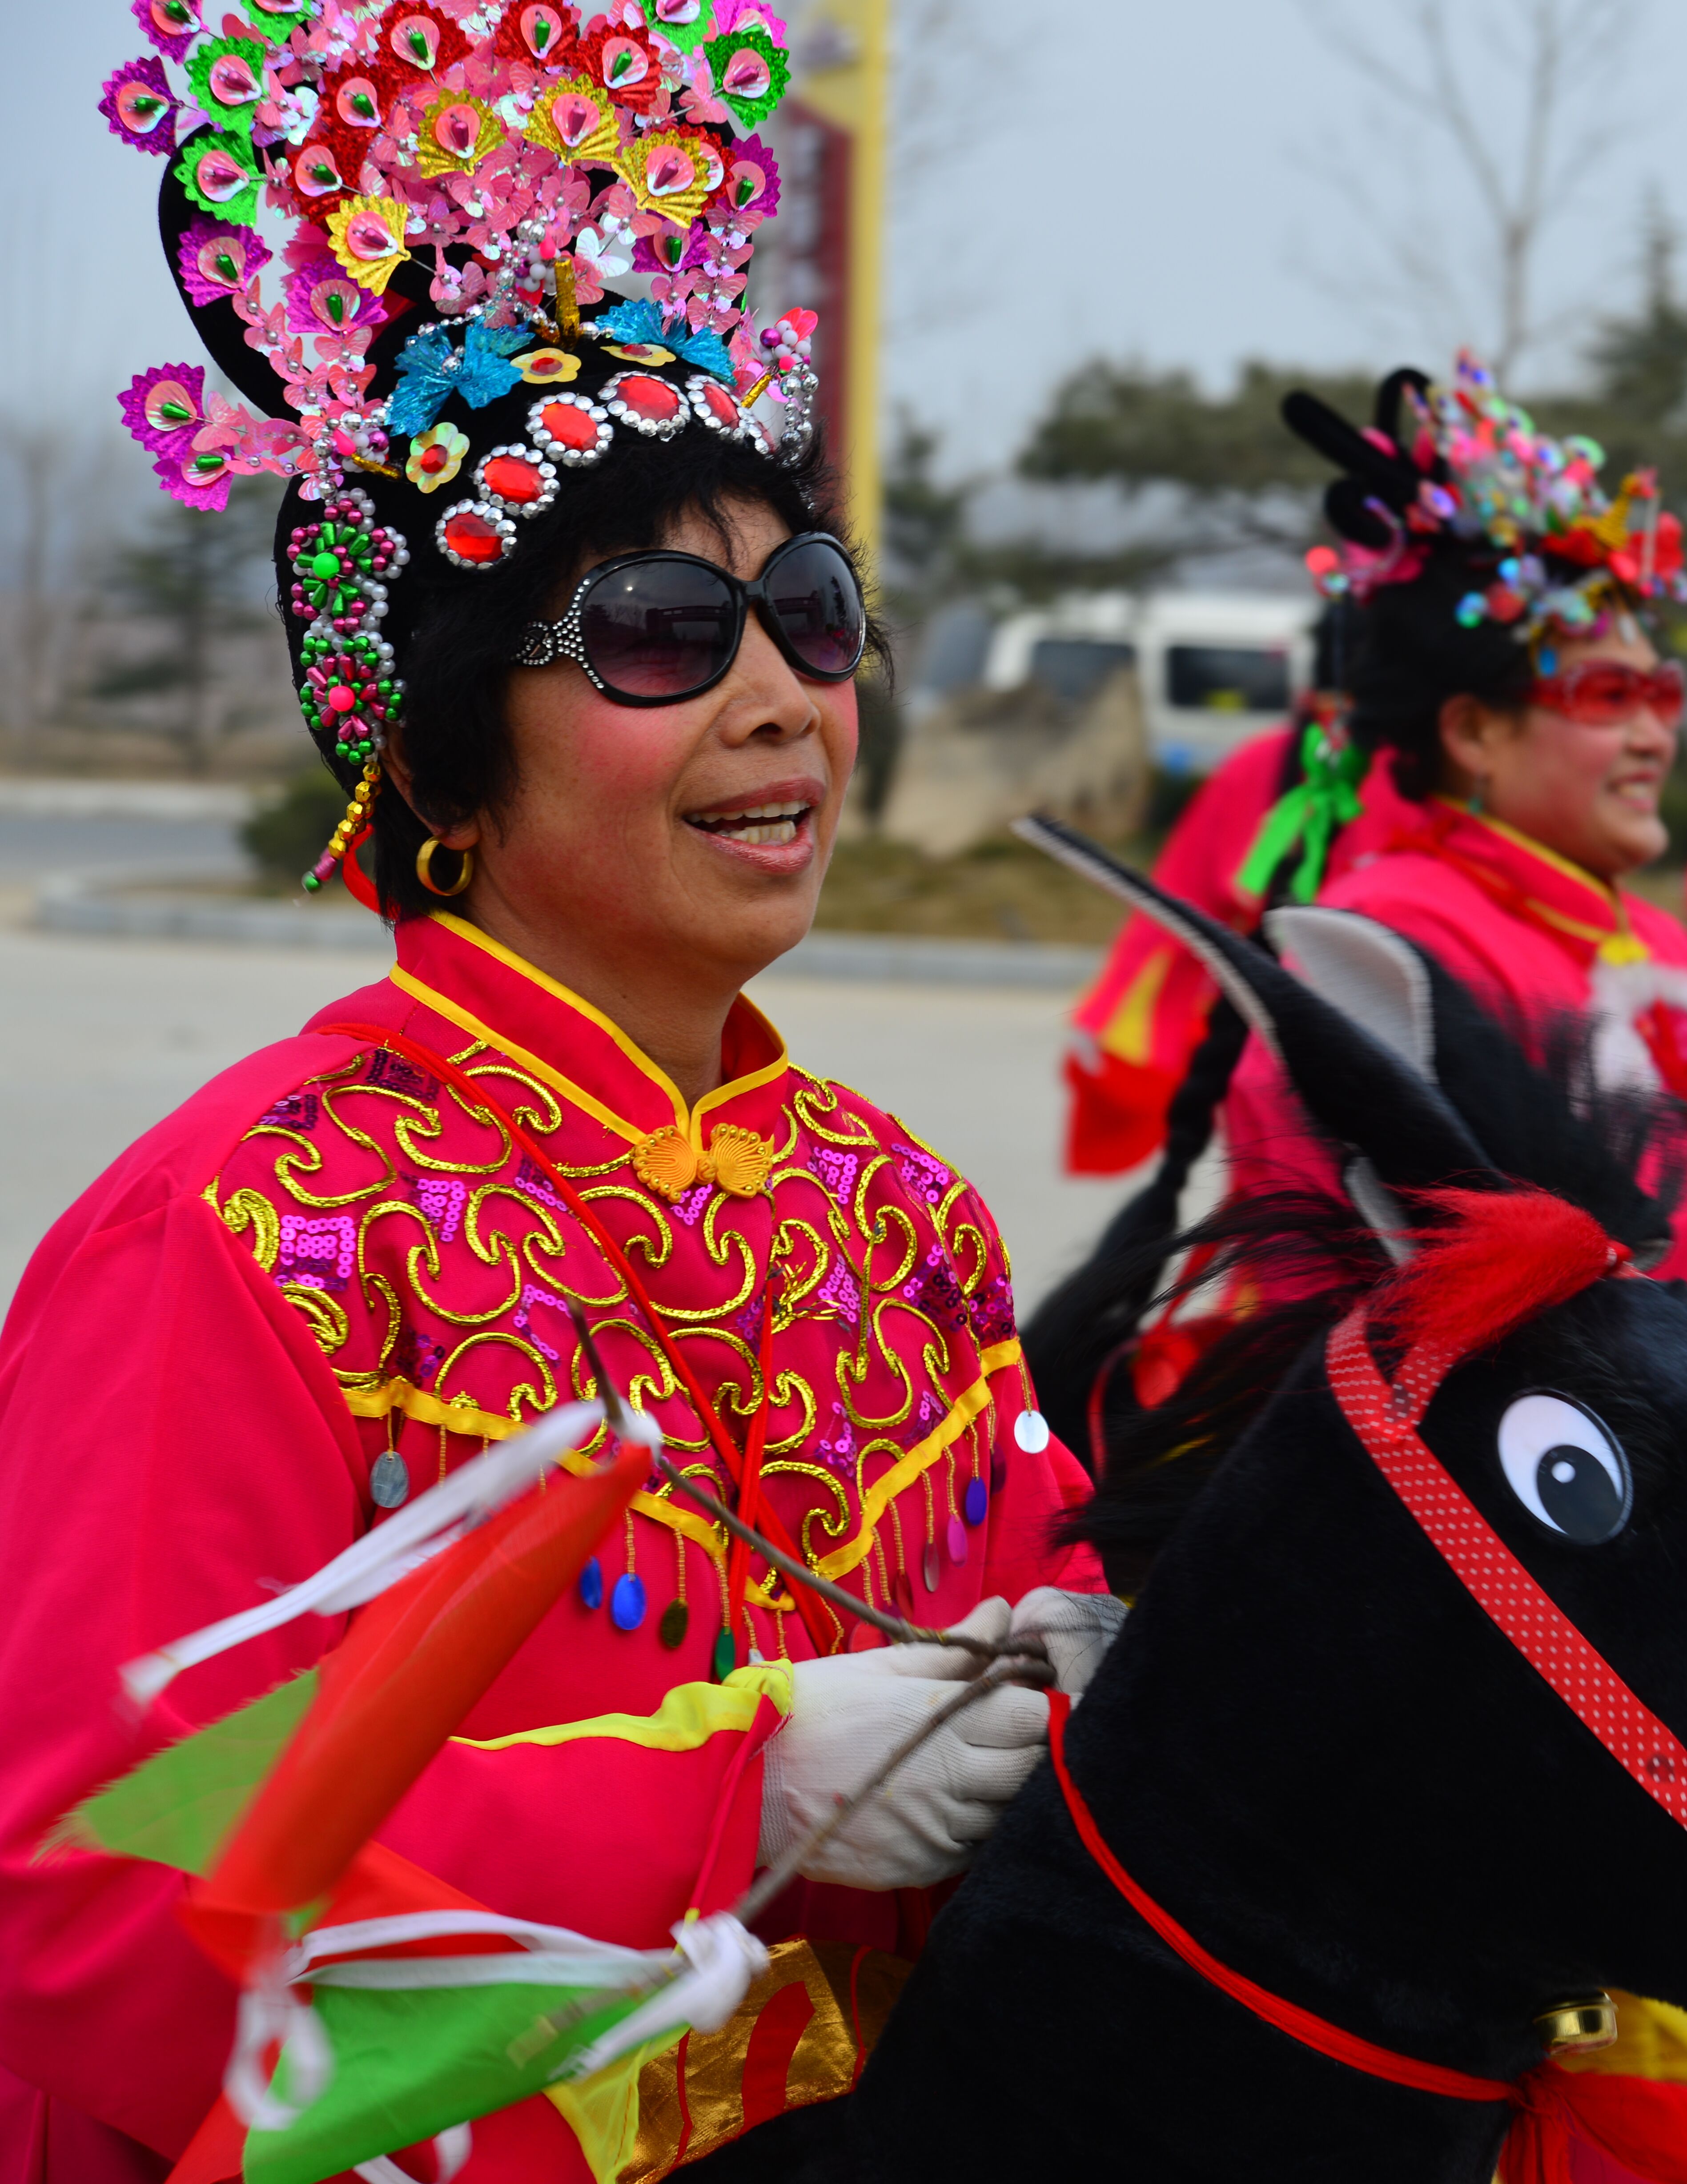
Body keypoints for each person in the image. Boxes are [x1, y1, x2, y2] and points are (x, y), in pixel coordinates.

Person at [4, 22, 1109, 2177]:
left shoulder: (896, 1213)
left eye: (809, 612)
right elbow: (86, 1877)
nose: (782, 691)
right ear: (430, 750)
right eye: (654, 634)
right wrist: (739, 1787)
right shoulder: (251, 1226)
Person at [1228, 357, 1687, 1346]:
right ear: (1474, 731)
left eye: (1661, 696)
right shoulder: (1390, 947)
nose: (1654, 737)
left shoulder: (1644, 929)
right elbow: (1539, 1300)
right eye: (1609, 698)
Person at [1056, 600, 1413, 1176]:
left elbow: (1179, 906)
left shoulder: (1267, 764)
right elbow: (1182, 905)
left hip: (1287, 1066)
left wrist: (1114, 1015)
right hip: (1328, 1072)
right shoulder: (1422, 777)